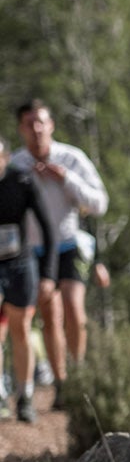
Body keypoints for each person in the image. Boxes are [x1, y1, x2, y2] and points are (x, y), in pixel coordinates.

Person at [13, 100, 108, 410]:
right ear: (21, 129)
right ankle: (62, 383)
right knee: (50, 317)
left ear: (51, 124)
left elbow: (99, 203)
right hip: (32, 250)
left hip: (68, 244)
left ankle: (78, 374)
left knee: (73, 308)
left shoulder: (72, 158)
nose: (36, 128)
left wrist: (65, 178)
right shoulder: (15, 165)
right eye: (29, 123)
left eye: (41, 121)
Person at [0, 138, 59, 422]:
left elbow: (49, 229)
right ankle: (1, 393)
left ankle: (24, 396)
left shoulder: (21, 181)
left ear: (5, 157)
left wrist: (48, 275)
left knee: (21, 329)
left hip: (19, 264)